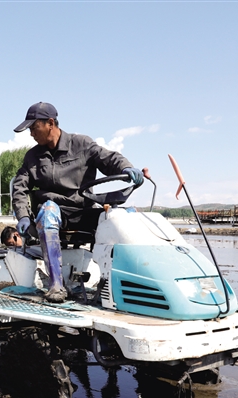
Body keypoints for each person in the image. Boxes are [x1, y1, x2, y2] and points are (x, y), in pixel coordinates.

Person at [11, 102, 148, 303]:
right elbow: (20, 186)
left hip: (83, 211)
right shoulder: (32, 156)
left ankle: (132, 283)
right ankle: (56, 285)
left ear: (50, 123)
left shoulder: (82, 144)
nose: (31, 133)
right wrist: (23, 215)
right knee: (48, 210)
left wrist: (126, 168)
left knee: (121, 217)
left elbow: (108, 158)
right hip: (53, 211)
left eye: (34, 127)